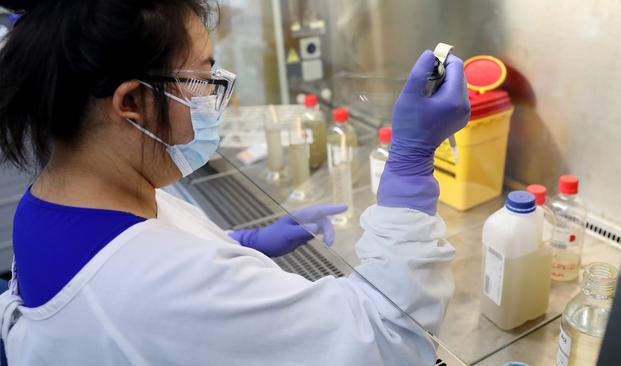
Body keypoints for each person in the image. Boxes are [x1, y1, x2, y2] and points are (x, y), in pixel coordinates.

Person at [0, 1, 469, 365]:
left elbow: (147, 262)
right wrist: (410, 164)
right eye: (204, 77)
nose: (218, 94)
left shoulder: (53, 199)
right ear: (132, 104)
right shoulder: (158, 291)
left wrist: (243, 246)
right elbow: (388, 340)